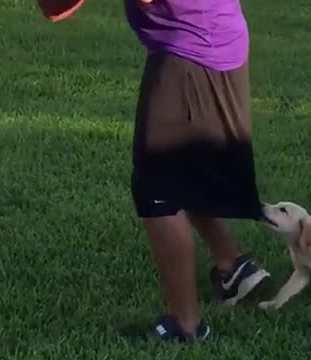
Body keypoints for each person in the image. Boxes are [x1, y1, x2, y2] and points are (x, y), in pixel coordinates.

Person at [120, 0, 272, 342]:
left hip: (192, 48)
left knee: (155, 185)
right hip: (213, 36)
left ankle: (185, 324)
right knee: (188, 169)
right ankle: (233, 266)